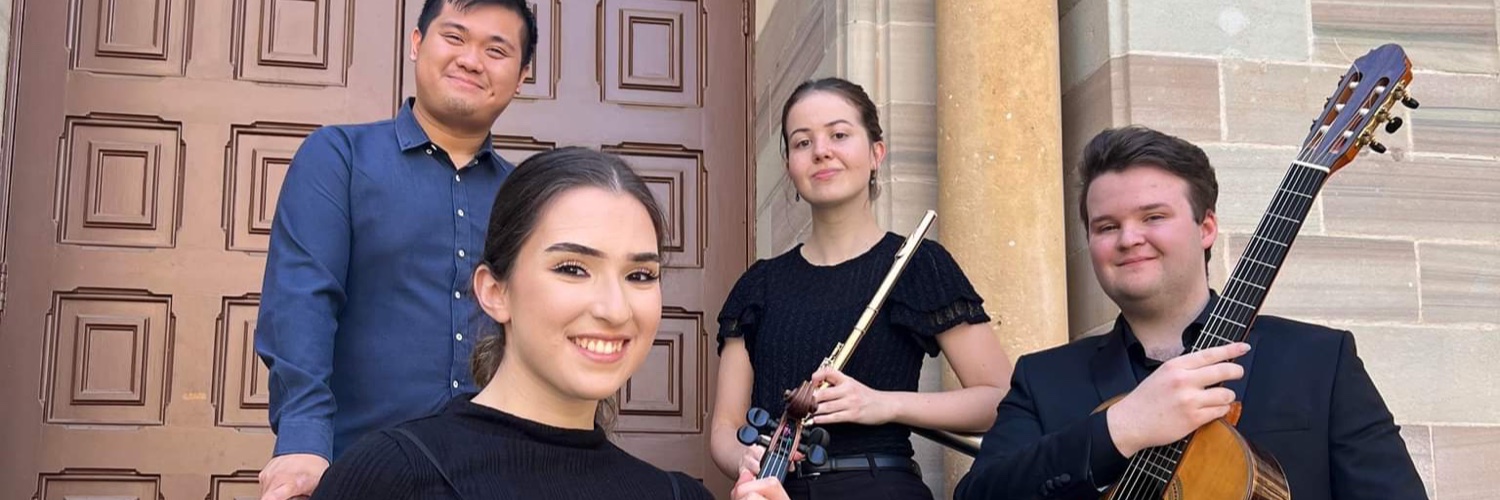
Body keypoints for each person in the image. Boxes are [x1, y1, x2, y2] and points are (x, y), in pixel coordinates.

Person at [955, 126, 1426, 500]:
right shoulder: (1044, 379)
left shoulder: (1319, 360)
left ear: (1206, 228)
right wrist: (1119, 428)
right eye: (1106, 226)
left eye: (1153, 217)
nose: (1128, 238)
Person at [310, 147, 791, 500]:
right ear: (495, 292)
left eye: (640, 275)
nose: (615, 309)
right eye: (572, 268)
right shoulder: (392, 474)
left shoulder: (678, 496)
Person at [253, 1, 537, 498]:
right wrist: (302, 442)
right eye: (455, 37)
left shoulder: (528, 197)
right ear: (416, 43)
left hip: (498, 477)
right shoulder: (338, 158)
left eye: (496, 50)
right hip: (362, 471)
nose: (471, 60)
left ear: (521, 76)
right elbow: (302, 301)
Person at [710, 77, 1012, 500]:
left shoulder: (919, 264)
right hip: (773, 489)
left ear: (876, 153)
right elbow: (725, 428)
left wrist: (884, 404)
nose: (821, 151)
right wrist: (745, 460)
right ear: (789, 166)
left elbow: (1000, 400)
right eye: (802, 142)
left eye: (839, 134)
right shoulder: (757, 285)